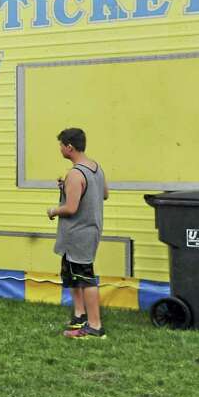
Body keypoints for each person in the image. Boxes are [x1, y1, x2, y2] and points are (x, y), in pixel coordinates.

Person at [49, 128, 109, 339]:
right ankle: (79, 315)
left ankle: (94, 327)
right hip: (87, 231)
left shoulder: (75, 173)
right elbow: (104, 194)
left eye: (61, 145)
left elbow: (71, 208)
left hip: (79, 234)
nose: (60, 149)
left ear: (69, 147)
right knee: (72, 273)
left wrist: (53, 210)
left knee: (85, 277)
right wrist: (67, 188)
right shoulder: (96, 168)